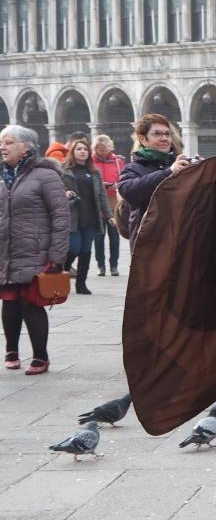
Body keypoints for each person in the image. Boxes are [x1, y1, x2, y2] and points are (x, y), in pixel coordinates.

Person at [1, 125, 70, 375]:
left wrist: (56, 256)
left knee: (31, 304)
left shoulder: (45, 175)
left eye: (9, 142)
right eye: (1, 142)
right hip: (6, 251)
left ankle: (41, 356)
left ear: (26, 147)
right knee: (9, 302)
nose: (2, 147)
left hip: (35, 251)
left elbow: (61, 216)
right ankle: (11, 350)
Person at [119, 114, 191, 241]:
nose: (164, 138)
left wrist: (200, 170)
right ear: (143, 139)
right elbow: (128, 191)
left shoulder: (180, 164)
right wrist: (169, 172)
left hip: (180, 237)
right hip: (149, 241)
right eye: (157, 134)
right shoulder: (133, 168)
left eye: (167, 134)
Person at [61, 136, 110, 295]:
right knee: (74, 248)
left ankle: (81, 284)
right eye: (78, 149)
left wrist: (109, 215)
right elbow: (56, 190)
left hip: (90, 217)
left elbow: (101, 195)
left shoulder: (94, 172)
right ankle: (63, 270)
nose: (82, 152)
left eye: (85, 149)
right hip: (73, 217)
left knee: (86, 251)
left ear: (89, 152)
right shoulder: (64, 170)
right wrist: (65, 193)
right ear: (72, 152)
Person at [92, 134, 126, 276]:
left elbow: (124, 179)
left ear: (110, 147)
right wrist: (101, 185)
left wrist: (116, 185)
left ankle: (114, 266)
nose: (102, 151)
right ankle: (101, 265)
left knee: (114, 237)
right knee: (99, 237)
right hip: (97, 204)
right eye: (99, 149)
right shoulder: (90, 162)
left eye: (105, 149)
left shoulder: (118, 161)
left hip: (113, 203)